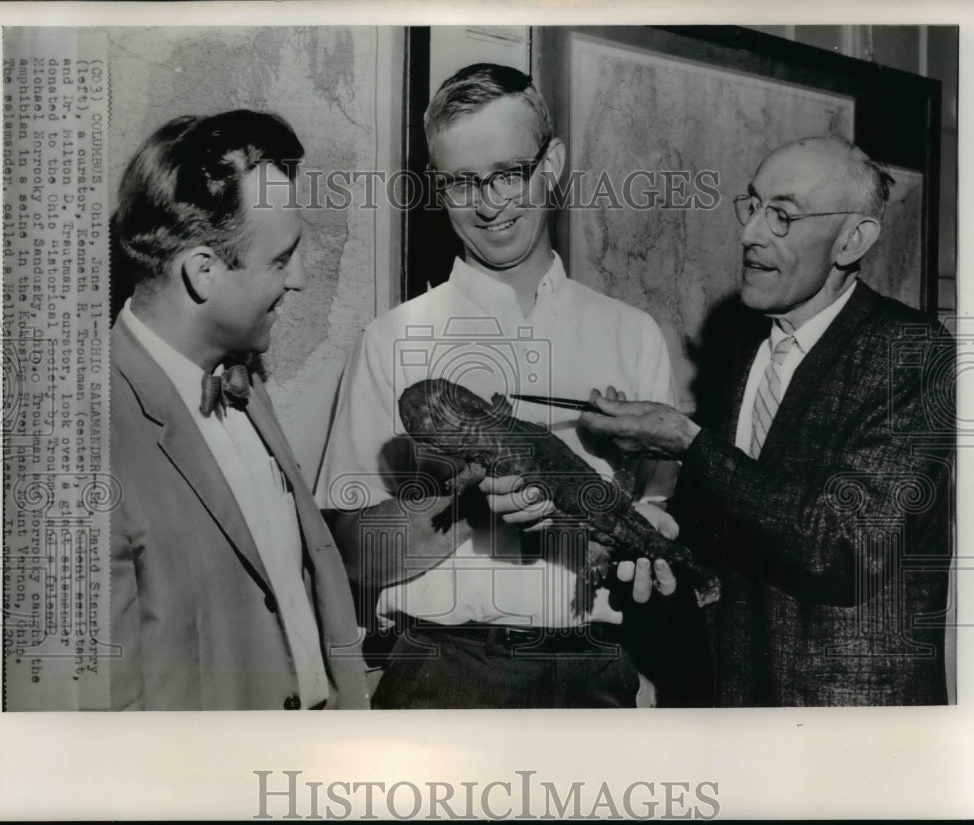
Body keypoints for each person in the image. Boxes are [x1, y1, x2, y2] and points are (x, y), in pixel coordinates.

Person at [316, 64, 711, 709]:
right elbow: (350, 560)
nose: (489, 203)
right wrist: (463, 503)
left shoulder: (632, 333)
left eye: (507, 173)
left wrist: (641, 552)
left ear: (551, 163)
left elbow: (654, 517)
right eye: (462, 182)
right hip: (444, 671)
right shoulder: (390, 339)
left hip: (598, 671)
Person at [581, 136, 953, 706]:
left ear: (852, 239)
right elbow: (744, 515)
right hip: (739, 699)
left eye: (782, 215)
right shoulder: (747, 348)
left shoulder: (911, 350)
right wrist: (662, 533)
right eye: (751, 206)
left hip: (847, 723)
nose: (750, 232)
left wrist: (687, 439)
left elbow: (844, 542)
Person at [109, 110, 369, 710]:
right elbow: (101, 723)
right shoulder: (81, 444)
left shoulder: (243, 379)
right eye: (280, 260)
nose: (300, 279)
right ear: (203, 273)